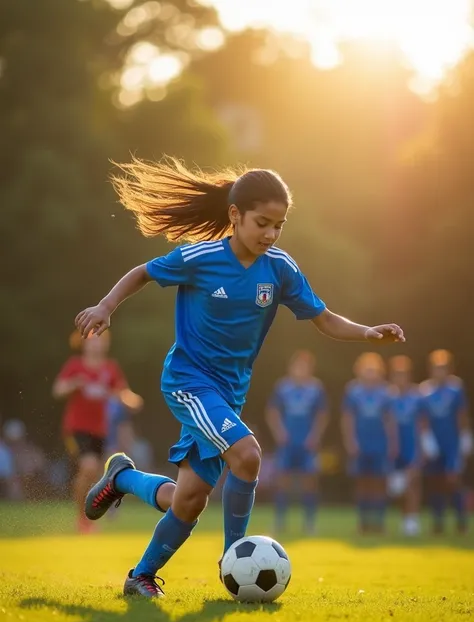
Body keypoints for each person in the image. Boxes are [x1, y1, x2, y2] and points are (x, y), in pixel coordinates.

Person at [76, 157, 405, 598]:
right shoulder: (201, 257)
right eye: (262, 223)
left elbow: (323, 318)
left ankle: (126, 498)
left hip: (228, 395)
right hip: (189, 382)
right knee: (247, 456)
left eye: (279, 226)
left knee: (188, 501)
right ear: (235, 216)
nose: (270, 235)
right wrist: (105, 306)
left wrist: (367, 332)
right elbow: (142, 273)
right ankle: (236, 558)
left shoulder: (280, 269)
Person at [52, 330, 128, 533]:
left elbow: (123, 392)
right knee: (89, 466)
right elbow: (58, 389)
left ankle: (93, 510)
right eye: (91, 341)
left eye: (99, 340)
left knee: (94, 472)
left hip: (100, 431)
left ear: (106, 344)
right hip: (75, 429)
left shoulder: (110, 369)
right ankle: (82, 518)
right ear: (83, 344)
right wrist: (74, 383)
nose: (95, 344)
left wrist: (130, 400)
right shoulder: (75, 365)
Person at [265, 350, 329, 534]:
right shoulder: (283, 387)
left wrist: (315, 435)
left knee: (310, 482)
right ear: (291, 368)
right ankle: (279, 522)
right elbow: (272, 411)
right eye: (297, 366)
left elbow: (322, 414)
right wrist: (279, 432)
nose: (300, 369)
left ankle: (309, 524)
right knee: (282, 481)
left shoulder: (316, 388)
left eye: (304, 366)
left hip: (307, 443)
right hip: (287, 442)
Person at [342, 353, 397, 534]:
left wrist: (392, 443)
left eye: (373, 369)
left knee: (379, 483)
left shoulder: (386, 392)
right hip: (361, 444)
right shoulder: (353, 391)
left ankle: (379, 523)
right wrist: (351, 441)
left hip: (379, 444)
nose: (370, 373)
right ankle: (363, 523)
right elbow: (348, 418)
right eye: (367, 369)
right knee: (362, 483)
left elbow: (390, 420)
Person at [419, 350, 472, 534]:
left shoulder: (456, 388)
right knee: (436, 482)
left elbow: (461, 415)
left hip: (452, 443)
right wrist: (426, 440)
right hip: (435, 444)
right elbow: (423, 419)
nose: (439, 371)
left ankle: (461, 522)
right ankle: (438, 522)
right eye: (436, 368)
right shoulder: (425, 391)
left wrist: (465, 437)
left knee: (454, 481)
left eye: (442, 368)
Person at [388, 355, 422, 537]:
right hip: (393, 448)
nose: (400, 378)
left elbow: (422, 422)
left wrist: (423, 445)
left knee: (412, 483)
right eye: (397, 374)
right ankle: (404, 518)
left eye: (403, 374)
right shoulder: (388, 397)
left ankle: (412, 520)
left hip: (412, 446)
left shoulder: (417, 397)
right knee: (396, 489)